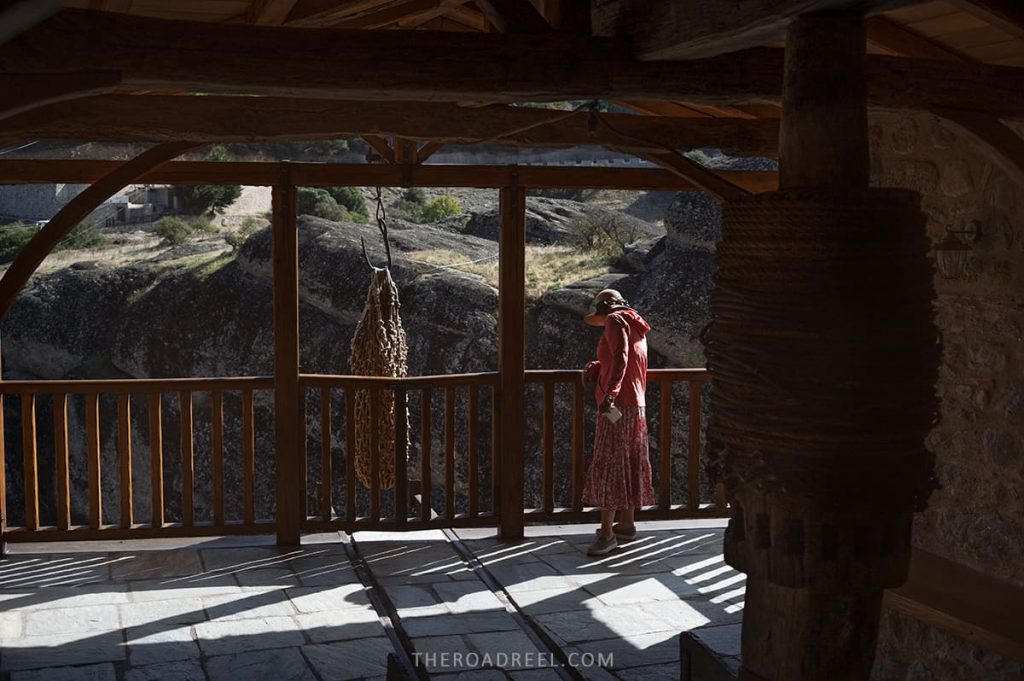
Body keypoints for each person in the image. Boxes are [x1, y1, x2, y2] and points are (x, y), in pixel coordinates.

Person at [580, 288, 654, 556]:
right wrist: (599, 366)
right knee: (630, 461)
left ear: (604, 309)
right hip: (636, 405)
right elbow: (628, 360)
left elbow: (622, 356)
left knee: (610, 462)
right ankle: (627, 524)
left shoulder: (614, 320)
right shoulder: (635, 323)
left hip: (618, 404)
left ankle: (607, 534)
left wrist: (609, 394)